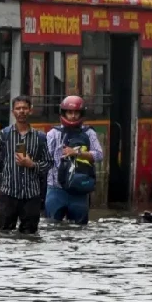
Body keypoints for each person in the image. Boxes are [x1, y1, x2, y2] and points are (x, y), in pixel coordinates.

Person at [0, 96, 51, 234]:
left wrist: (32, 164)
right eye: (18, 108)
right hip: (8, 193)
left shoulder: (40, 137)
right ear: (13, 112)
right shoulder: (4, 135)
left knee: (30, 236)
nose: (21, 111)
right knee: (3, 233)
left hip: (31, 195)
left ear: (30, 111)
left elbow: (49, 163)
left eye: (24, 108)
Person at [45, 95, 103, 225]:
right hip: (56, 189)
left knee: (80, 228)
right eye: (69, 112)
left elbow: (99, 155)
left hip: (79, 190)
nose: (73, 116)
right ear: (63, 113)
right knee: (52, 227)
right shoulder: (53, 133)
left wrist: (77, 153)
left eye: (76, 113)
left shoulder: (89, 133)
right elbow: (45, 157)